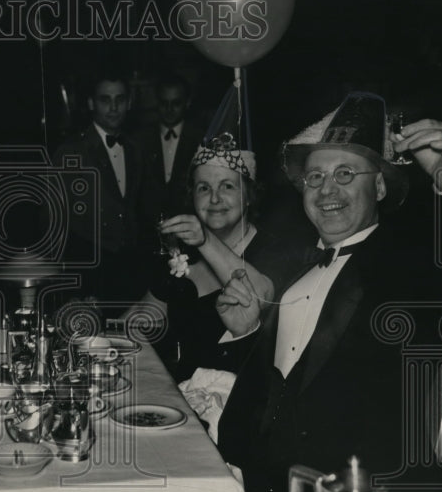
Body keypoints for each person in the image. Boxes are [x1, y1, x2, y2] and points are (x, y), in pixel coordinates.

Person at [213, 91, 442, 492]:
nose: (326, 189)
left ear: (379, 189)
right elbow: (275, 389)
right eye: (315, 176)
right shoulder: (295, 273)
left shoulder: (403, 267)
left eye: (345, 174)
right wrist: (247, 333)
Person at [140, 84, 289, 380]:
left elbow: (260, 299)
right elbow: (144, 318)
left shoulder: (272, 249)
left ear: (250, 195)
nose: (215, 199)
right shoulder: (184, 254)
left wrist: (206, 240)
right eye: (204, 188)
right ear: (192, 196)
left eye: (228, 186)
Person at [53, 72, 147, 310]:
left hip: (130, 269)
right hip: (87, 271)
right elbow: (54, 222)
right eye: (105, 100)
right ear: (91, 103)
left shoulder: (136, 148)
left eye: (120, 99)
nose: (114, 107)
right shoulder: (71, 152)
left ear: (129, 103)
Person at [134, 74, 202, 230]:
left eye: (176, 103)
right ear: (156, 103)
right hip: (148, 230)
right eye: (164, 103)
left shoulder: (201, 139)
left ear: (187, 103)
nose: (169, 109)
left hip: (189, 227)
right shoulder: (139, 140)